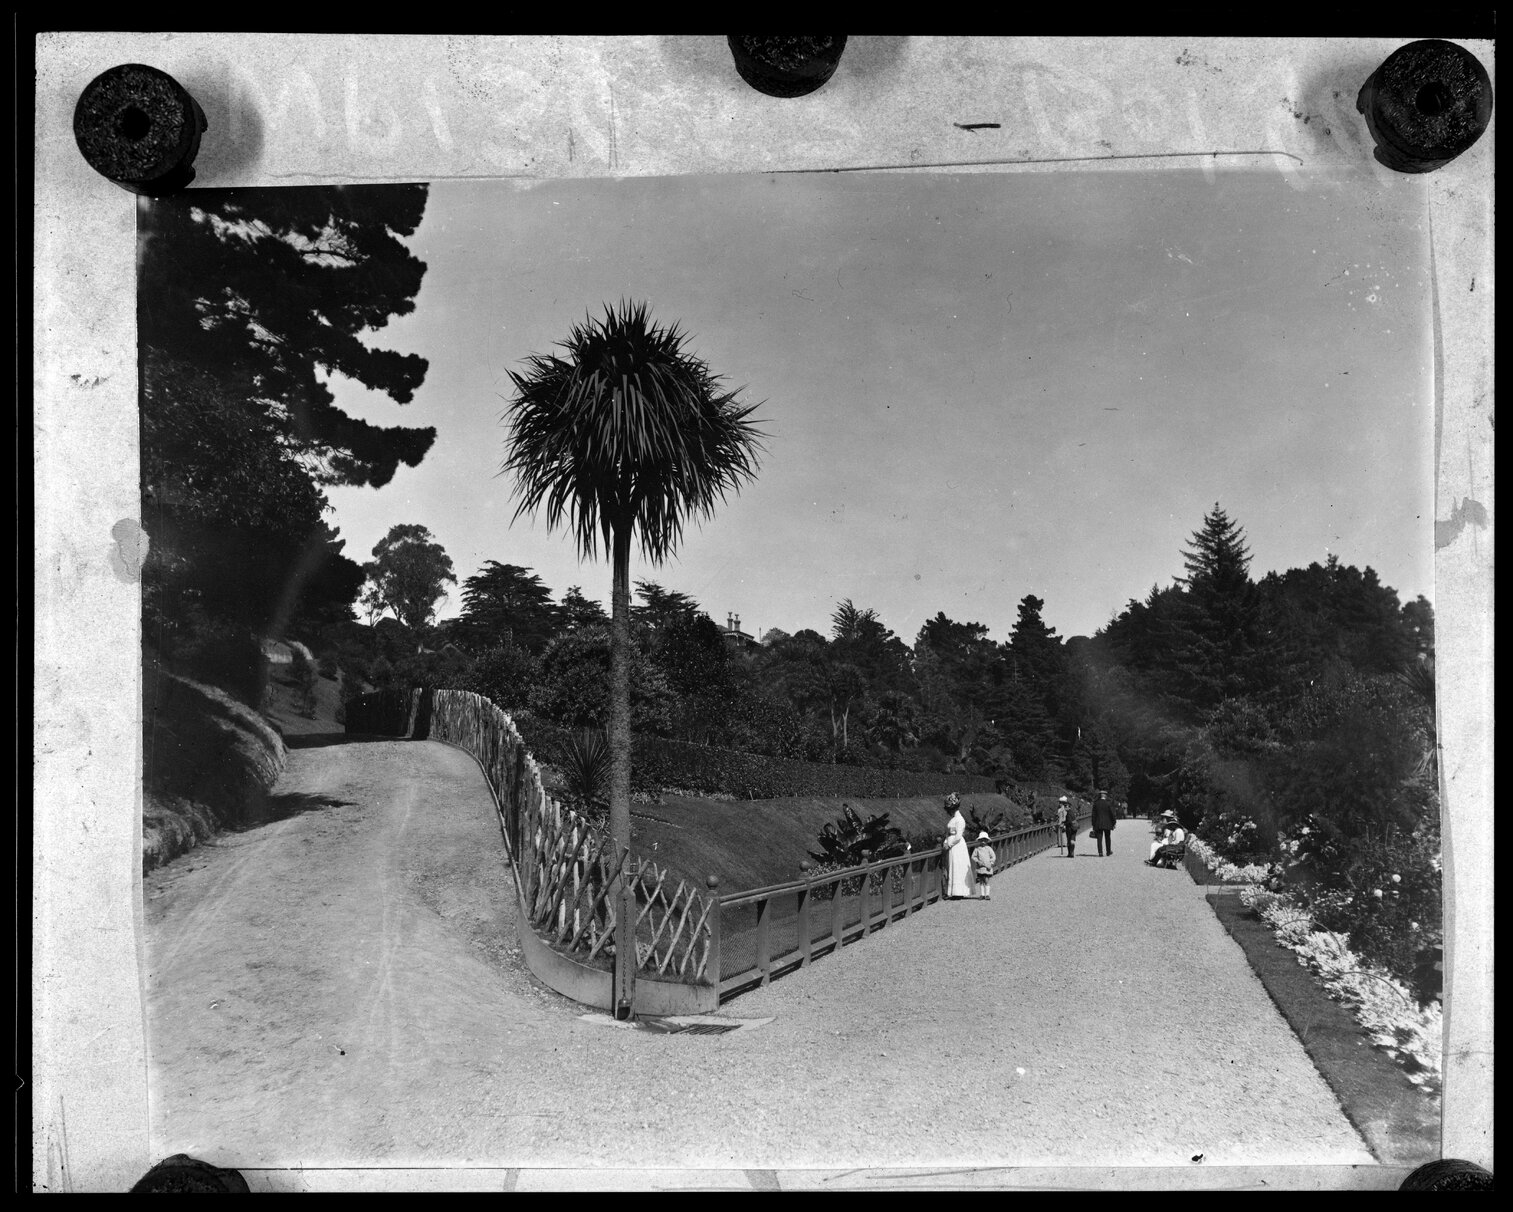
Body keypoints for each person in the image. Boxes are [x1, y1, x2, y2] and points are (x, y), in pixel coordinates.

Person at [941, 793, 974, 899]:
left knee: (957, 866)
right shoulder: (953, 819)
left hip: (957, 846)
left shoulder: (960, 819)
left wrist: (949, 844)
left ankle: (959, 891)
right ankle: (952, 891)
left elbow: (958, 836)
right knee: (952, 866)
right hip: (951, 844)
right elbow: (948, 833)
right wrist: (946, 841)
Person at [970, 831, 997, 900]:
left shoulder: (989, 848)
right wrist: (977, 861)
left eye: (984, 840)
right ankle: (982, 894)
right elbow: (973, 856)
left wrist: (991, 863)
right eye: (981, 840)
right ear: (979, 840)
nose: (983, 842)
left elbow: (993, 856)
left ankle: (987, 894)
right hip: (980, 867)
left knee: (986, 880)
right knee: (981, 881)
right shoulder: (977, 848)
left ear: (987, 840)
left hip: (987, 867)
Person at [1090, 790, 1116, 857]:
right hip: (1107, 823)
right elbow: (1112, 814)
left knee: (1099, 838)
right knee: (1107, 837)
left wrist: (1093, 824)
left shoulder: (1096, 803)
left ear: (1100, 795)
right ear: (1105, 795)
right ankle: (1108, 851)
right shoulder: (1108, 803)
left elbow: (1093, 815)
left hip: (1098, 823)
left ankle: (1100, 852)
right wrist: (1114, 822)